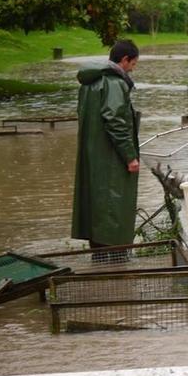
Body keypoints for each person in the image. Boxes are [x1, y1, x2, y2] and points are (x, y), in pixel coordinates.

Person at [71, 39, 141, 252]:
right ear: (125, 59)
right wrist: (130, 156)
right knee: (115, 204)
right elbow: (115, 121)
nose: (132, 69)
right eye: (133, 64)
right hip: (111, 156)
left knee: (96, 205)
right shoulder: (114, 83)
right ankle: (119, 259)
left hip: (92, 156)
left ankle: (99, 259)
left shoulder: (89, 83)